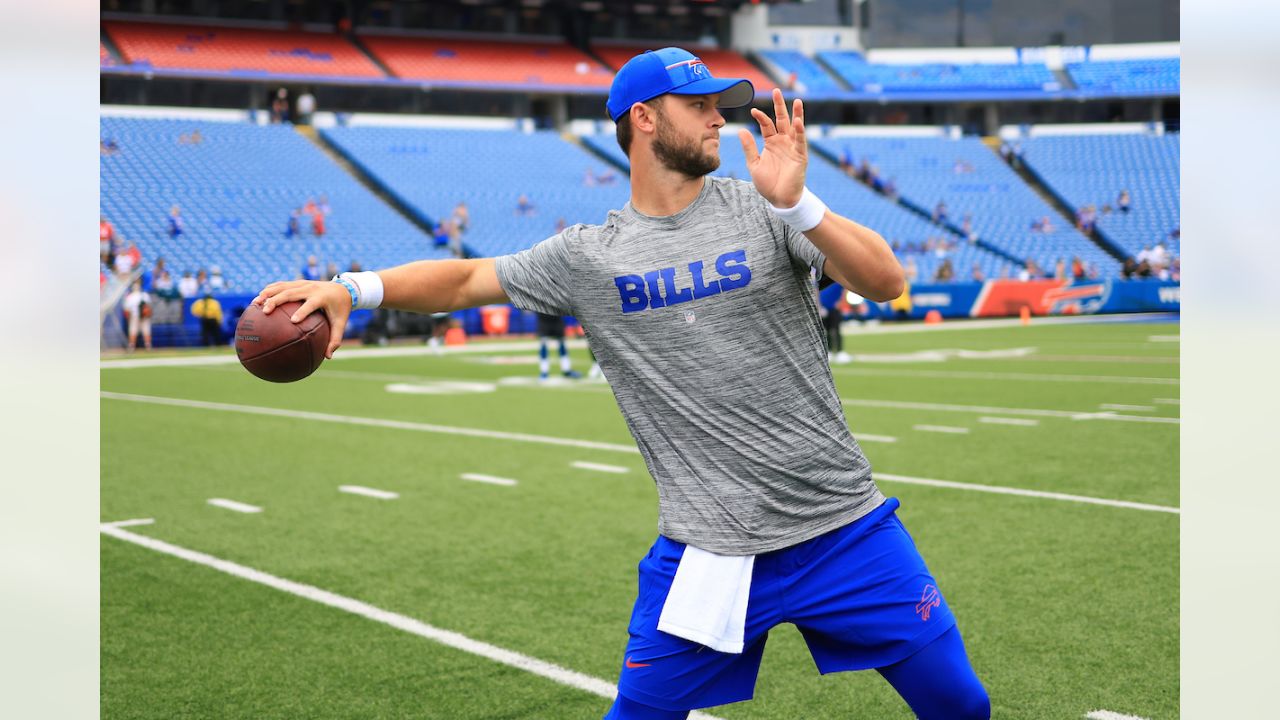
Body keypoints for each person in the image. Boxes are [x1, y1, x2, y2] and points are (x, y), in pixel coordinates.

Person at [253, 48, 987, 720]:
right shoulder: (588, 256)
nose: (717, 119)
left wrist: (799, 204)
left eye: (719, 105)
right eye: (697, 104)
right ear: (643, 118)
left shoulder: (766, 211)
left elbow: (887, 282)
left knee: (961, 707)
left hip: (845, 530)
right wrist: (354, 287)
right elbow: (469, 277)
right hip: (711, 550)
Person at [535, 313, 582, 380]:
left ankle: (566, 370)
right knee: (543, 344)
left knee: (562, 344)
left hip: (556, 319)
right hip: (543, 320)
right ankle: (544, 372)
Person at [122, 280, 153, 352]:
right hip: (142, 316)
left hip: (135, 316)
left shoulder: (130, 297)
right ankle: (148, 346)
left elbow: (126, 310)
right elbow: (149, 308)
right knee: (145, 331)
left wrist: (129, 318)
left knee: (133, 331)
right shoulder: (144, 295)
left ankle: (132, 347)